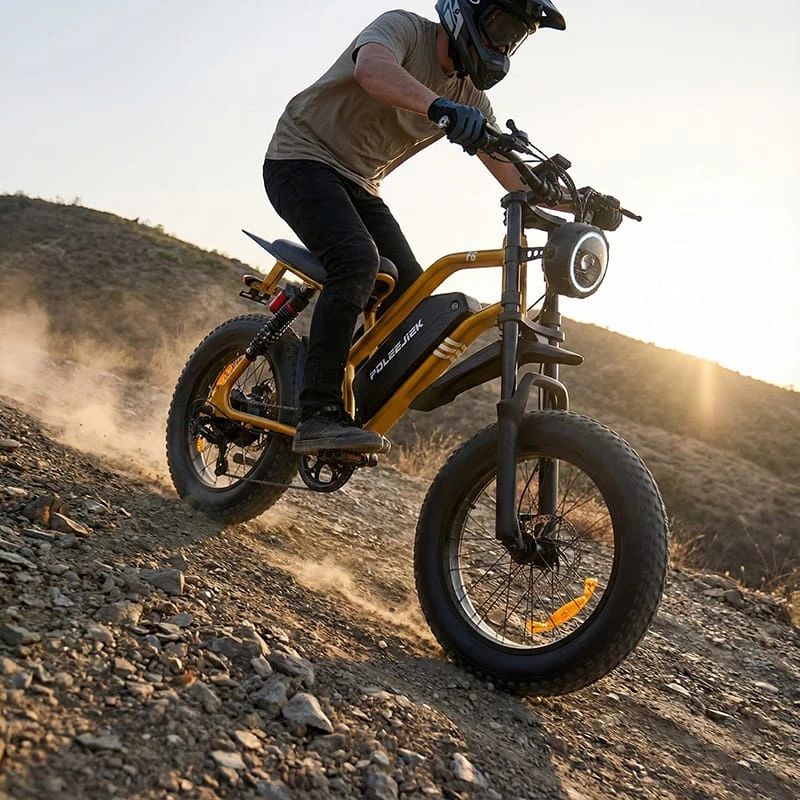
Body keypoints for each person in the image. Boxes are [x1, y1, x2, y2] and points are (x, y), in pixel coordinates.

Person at [263, 0, 566, 455]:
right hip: (300, 156)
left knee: (411, 294)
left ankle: (348, 389)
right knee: (356, 261)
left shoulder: (472, 99)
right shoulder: (404, 28)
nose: (504, 45)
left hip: (360, 183)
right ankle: (317, 412)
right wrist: (438, 105)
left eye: (516, 37)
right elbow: (372, 70)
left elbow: (512, 173)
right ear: (467, 12)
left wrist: (574, 199)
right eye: (502, 26)